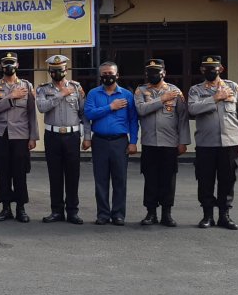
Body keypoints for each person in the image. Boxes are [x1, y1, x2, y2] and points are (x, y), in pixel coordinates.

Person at [35, 55, 91, 225]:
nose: (57, 73)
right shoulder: (43, 89)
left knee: (73, 175)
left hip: (72, 136)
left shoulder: (77, 88)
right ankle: (56, 211)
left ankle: (73, 211)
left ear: (66, 70)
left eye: (60, 70)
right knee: (55, 175)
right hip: (52, 136)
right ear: (49, 71)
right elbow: (42, 107)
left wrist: (87, 136)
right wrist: (61, 95)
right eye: (53, 70)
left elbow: (84, 114)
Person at [188, 55, 238, 230]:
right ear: (201, 70)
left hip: (230, 143)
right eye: (206, 68)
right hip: (206, 144)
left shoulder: (233, 87)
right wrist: (215, 98)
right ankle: (207, 216)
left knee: (228, 180)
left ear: (221, 69)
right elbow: (192, 109)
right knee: (205, 180)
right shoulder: (195, 90)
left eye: (213, 68)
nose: (210, 71)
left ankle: (224, 216)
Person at [134, 59, 190, 227]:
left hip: (170, 143)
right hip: (150, 143)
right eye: (149, 72)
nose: (152, 75)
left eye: (156, 72)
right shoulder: (141, 90)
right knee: (150, 179)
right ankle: (151, 213)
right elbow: (141, 110)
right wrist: (162, 99)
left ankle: (167, 213)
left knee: (168, 180)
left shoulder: (175, 91)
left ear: (164, 73)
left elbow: (183, 117)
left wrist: (183, 141)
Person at [84, 61, 139, 226]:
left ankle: (118, 214)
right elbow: (89, 114)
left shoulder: (127, 95)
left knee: (119, 180)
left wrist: (133, 142)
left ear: (117, 75)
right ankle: (103, 214)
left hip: (120, 142)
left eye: (111, 73)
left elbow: (133, 120)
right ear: (100, 76)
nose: (108, 76)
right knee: (100, 180)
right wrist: (110, 107)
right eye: (105, 74)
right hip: (99, 141)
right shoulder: (93, 93)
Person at [0, 52, 38, 223]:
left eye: (12, 63)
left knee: (20, 172)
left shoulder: (26, 85)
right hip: (1, 134)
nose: (9, 66)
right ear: (1, 66)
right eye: (6, 63)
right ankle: (5, 208)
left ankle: (21, 208)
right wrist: (10, 97)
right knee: (3, 172)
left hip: (21, 135)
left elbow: (32, 113)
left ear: (17, 65)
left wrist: (33, 137)